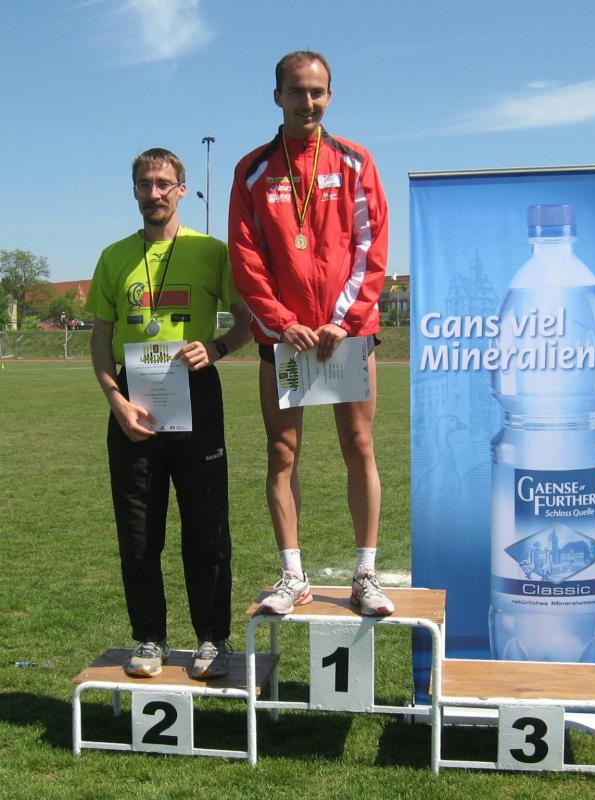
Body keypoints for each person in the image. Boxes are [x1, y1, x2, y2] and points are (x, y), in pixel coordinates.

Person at [228, 50, 394, 616]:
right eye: (297, 91)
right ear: (277, 96)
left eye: (317, 91)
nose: (308, 102)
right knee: (282, 452)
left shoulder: (355, 161)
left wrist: (342, 320)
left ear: (330, 95)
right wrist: (282, 322)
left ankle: (365, 574)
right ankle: (293, 576)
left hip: (347, 333)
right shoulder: (253, 170)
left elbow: (372, 244)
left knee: (359, 445)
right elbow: (246, 255)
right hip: (287, 339)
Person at [87, 147, 251, 679]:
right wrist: (114, 398)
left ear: (182, 189)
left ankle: (212, 639)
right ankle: (149, 638)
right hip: (133, 401)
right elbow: (101, 337)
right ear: (134, 191)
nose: (153, 193)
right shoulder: (114, 257)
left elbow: (247, 320)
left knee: (206, 527)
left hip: (195, 391)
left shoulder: (212, 251)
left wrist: (217, 348)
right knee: (138, 533)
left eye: (163, 183)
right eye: (144, 184)